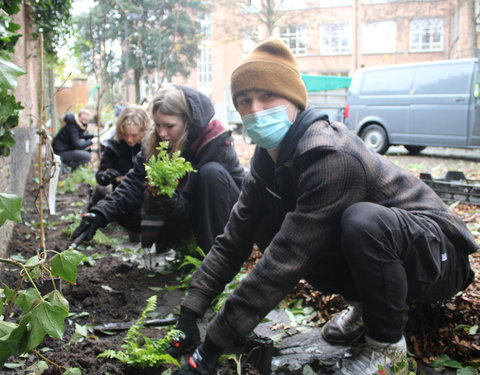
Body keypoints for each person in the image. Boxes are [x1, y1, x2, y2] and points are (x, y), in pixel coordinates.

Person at [171, 38, 477, 375]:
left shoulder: (330, 155)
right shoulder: (265, 161)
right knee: (265, 223)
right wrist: (189, 313)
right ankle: (367, 308)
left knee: (359, 223)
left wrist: (211, 347)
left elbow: (285, 259)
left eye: (268, 96)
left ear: (294, 100)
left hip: (438, 256)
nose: (256, 110)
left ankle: (388, 346)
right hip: (392, 251)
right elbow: (233, 240)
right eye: (245, 100)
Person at [71, 85, 245, 254]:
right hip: (185, 210)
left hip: (227, 216)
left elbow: (221, 197)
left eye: (169, 126)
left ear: (188, 122)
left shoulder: (215, 140)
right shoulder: (157, 142)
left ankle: (213, 257)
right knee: (130, 205)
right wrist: (100, 213)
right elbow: (133, 184)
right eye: (157, 125)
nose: (161, 133)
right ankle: (184, 248)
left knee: (211, 172)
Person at [89, 105, 149, 211]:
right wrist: (105, 176)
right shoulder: (113, 146)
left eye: (134, 135)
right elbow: (100, 174)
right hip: (120, 195)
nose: (129, 140)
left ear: (143, 131)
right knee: (100, 190)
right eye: (125, 135)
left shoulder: (150, 147)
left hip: (145, 195)